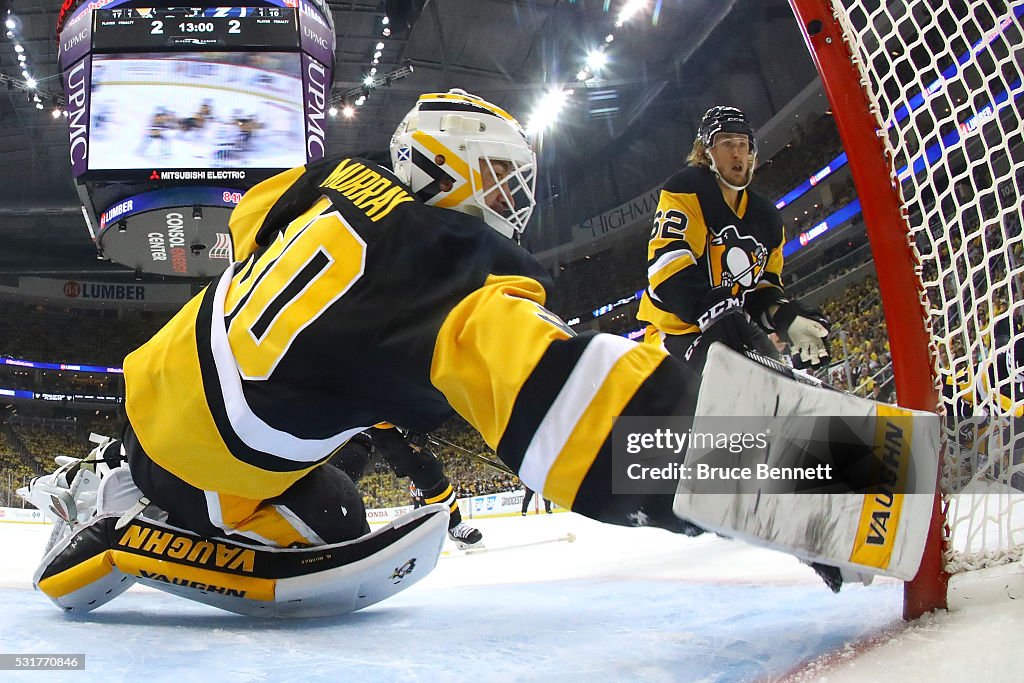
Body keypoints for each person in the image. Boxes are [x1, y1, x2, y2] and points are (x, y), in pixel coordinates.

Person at [23, 90, 898, 617]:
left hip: (151, 382)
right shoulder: (451, 275)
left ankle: (111, 468)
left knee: (350, 420)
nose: (514, 208)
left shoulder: (326, 179)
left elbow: (250, 222)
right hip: (217, 465)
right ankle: (141, 511)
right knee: (336, 517)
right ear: (453, 173)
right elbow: (577, 413)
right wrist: (797, 476)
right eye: (506, 185)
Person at [636, 105, 831, 370]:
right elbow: (667, 266)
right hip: (672, 331)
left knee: (767, 379)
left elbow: (762, 288)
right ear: (706, 152)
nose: (737, 152)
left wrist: (786, 317)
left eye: (743, 144)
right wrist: (715, 313)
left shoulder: (768, 218)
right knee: (729, 384)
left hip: (727, 327)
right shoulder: (688, 188)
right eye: (726, 143)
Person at [331, 425, 484, 546]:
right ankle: (337, 537)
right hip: (351, 423)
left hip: (385, 417)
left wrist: (416, 423)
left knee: (426, 466)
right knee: (342, 469)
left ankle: (454, 522)